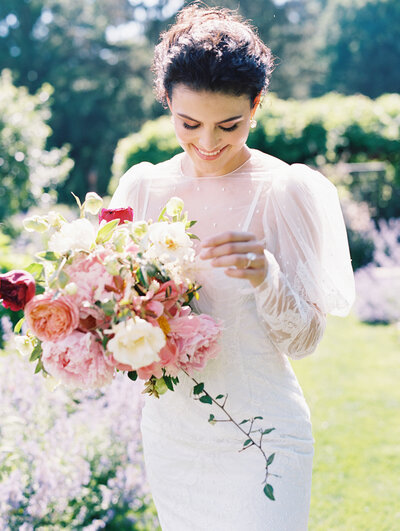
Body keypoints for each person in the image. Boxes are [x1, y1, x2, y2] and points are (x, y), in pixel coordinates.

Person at [110, 5, 355, 530]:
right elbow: (113, 308)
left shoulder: (286, 190)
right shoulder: (142, 188)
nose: (207, 143)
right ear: (166, 103)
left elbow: (306, 339)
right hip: (174, 437)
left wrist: (266, 276)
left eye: (229, 124)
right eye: (188, 123)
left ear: (256, 104)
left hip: (264, 437)